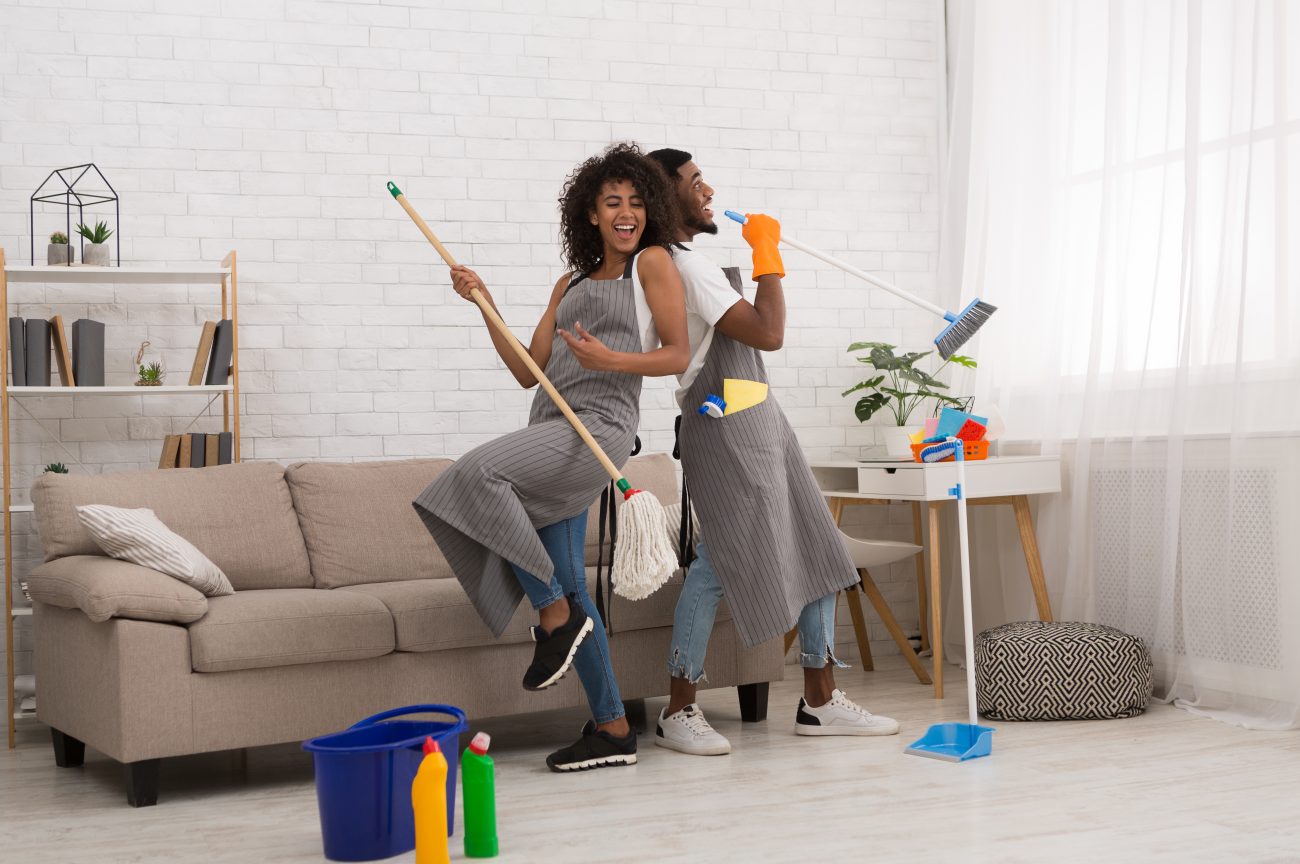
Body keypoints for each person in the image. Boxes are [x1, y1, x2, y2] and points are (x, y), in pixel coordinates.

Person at [414, 143, 689, 771]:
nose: (627, 213)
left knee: (478, 472)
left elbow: (675, 353)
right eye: (612, 202)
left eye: (637, 202)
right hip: (551, 426)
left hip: (602, 427)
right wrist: (484, 303)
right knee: (569, 579)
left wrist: (610, 360)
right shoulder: (567, 282)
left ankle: (551, 616)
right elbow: (527, 371)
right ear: (589, 213)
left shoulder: (650, 265)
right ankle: (614, 727)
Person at [645, 147, 900, 755]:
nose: (708, 191)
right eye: (695, 182)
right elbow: (768, 332)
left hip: (759, 417)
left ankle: (819, 700)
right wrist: (767, 257)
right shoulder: (682, 265)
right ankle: (679, 708)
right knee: (718, 561)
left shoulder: (690, 262)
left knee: (818, 542)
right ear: (666, 196)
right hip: (726, 424)